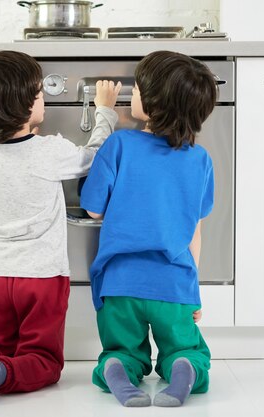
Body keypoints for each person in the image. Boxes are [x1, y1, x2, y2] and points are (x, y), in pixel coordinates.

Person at [0, 50, 122, 408]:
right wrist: (105, 110)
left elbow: (11, 151)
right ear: (26, 110)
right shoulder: (50, 151)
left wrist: (26, 129)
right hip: (41, 279)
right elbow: (96, 155)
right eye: (40, 96)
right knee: (42, 360)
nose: (43, 99)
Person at [79, 50, 217, 408]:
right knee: (185, 347)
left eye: (137, 89)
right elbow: (193, 234)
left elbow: (93, 210)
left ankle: (116, 368)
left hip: (120, 283)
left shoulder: (119, 144)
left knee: (122, 349)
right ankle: (184, 368)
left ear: (154, 103)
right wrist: (192, 291)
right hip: (172, 284)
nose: (132, 94)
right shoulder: (200, 159)